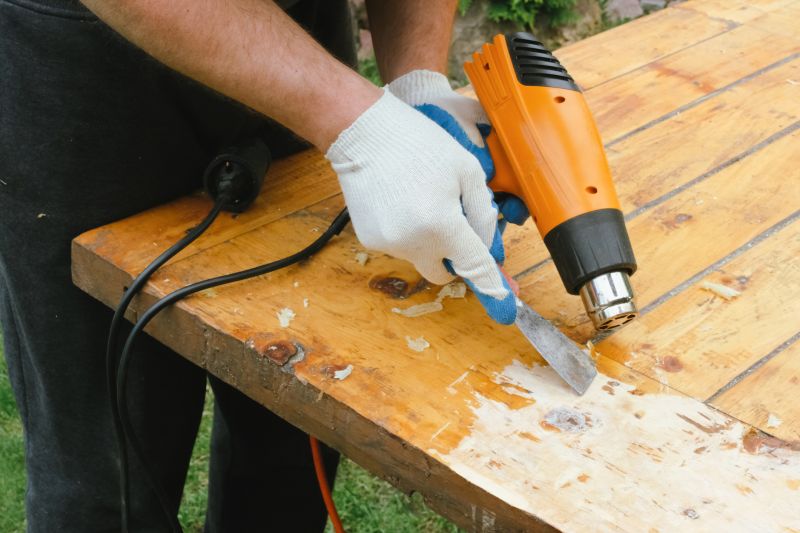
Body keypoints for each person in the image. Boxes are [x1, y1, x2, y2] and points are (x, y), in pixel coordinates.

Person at [0, 0, 527, 530]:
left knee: (293, 435)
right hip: (85, 62)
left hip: (301, 42)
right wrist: (355, 123)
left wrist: (415, 83)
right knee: (110, 474)